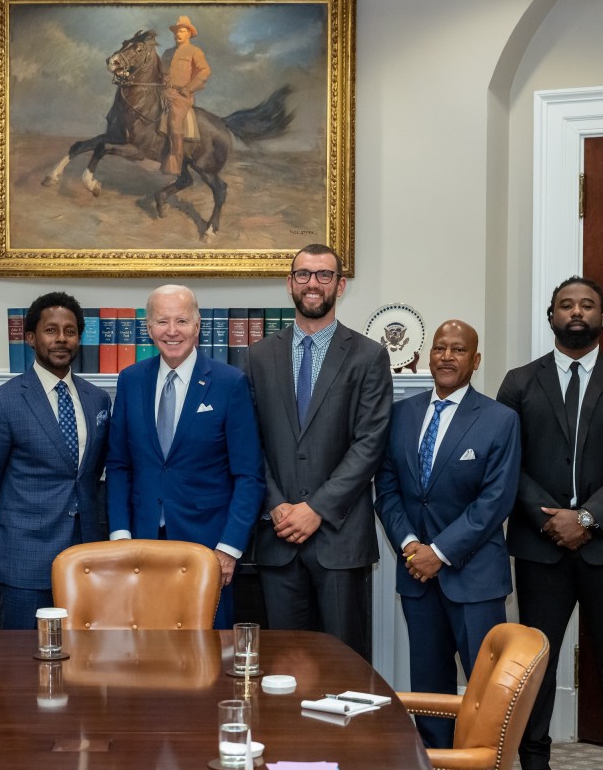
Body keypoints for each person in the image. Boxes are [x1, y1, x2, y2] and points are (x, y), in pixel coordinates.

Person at [496, 277, 603, 770]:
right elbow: (507, 463)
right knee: (537, 662)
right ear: (551, 316)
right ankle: (534, 759)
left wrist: (586, 518)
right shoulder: (518, 382)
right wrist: (552, 521)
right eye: (566, 305)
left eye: (587, 305)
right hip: (541, 549)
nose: (576, 312)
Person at [373, 319, 520, 748]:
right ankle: (435, 757)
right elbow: (388, 489)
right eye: (440, 348)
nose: (446, 357)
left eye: (458, 350)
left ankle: (480, 759)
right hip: (417, 576)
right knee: (429, 688)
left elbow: (495, 502)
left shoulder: (500, 419)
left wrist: (438, 551)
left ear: (475, 361)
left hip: (474, 578)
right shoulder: (401, 414)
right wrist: (409, 545)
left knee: (484, 689)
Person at [247, 244, 392, 660]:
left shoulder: (368, 355)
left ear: (340, 286)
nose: (313, 283)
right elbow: (248, 441)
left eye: (324, 275)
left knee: (344, 665)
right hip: (277, 537)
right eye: (304, 275)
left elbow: (370, 443)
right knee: (283, 665)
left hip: (339, 539)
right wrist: (275, 505)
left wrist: (317, 508)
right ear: (289, 283)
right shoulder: (259, 356)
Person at [105, 284, 263, 627]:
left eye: (181, 321)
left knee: (207, 655)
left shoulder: (229, 382)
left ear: (197, 325)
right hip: (141, 544)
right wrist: (120, 535)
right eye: (162, 322)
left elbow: (249, 475)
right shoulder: (130, 380)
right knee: (144, 652)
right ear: (148, 329)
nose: (172, 331)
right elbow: (118, 465)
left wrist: (229, 548)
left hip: (207, 547)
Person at [0, 292, 111, 628]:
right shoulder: (1, 404)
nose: (61, 339)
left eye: (70, 331)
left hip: (87, 557)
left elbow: (93, 474)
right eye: (51, 330)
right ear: (30, 337)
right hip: (22, 561)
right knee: (23, 668)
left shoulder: (97, 399)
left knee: (84, 667)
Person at [160, 14, 211, 175]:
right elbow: (160, 72)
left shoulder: (195, 51)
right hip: (162, 91)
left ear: (189, 33)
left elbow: (205, 71)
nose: (177, 34)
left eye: (181, 31)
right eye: (176, 31)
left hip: (181, 97)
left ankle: (176, 159)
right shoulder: (167, 53)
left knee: (175, 121)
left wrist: (189, 88)